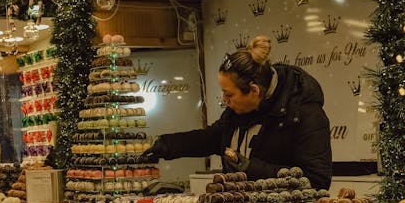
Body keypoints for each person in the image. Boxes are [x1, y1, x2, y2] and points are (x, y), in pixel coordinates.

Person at [141, 35, 333, 188]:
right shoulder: (239, 111)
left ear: (254, 90)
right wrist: (167, 145)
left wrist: (252, 169)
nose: (225, 100)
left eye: (229, 94)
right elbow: (210, 138)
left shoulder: (304, 114)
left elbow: (316, 180)